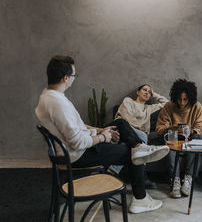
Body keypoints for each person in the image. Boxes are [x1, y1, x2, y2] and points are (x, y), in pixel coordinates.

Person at [35, 55, 170, 214]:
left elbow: (78, 125)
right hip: (78, 154)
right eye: (74, 75)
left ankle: (139, 146)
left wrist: (99, 130)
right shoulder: (58, 103)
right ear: (65, 78)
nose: (74, 79)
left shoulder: (48, 97)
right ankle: (140, 198)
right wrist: (103, 137)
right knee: (133, 155)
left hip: (74, 148)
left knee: (119, 123)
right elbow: (78, 142)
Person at [110, 84, 168, 188]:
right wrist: (139, 129)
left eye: (149, 91)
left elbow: (166, 103)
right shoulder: (128, 101)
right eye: (144, 90)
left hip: (133, 137)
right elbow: (126, 119)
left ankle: (113, 170)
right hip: (123, 129)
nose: (147, 92)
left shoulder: (149, 108)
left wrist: (154, 94)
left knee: (132, 145)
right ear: (138, 92)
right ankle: (143, 177)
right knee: (143, 136)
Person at [156, 79, 202, 198]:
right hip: (173, 136)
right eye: (179, 99)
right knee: (171, 136)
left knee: (198, 138)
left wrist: (191, 131)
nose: (182, 103)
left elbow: (200, 127)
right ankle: (175, 180)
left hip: (190, 136)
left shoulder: (197, 106)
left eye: (185, 99)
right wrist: (171, 127)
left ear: (190, 98)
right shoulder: (169, 106)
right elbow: (159, 129)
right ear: (175, 97)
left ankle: (188, 179)